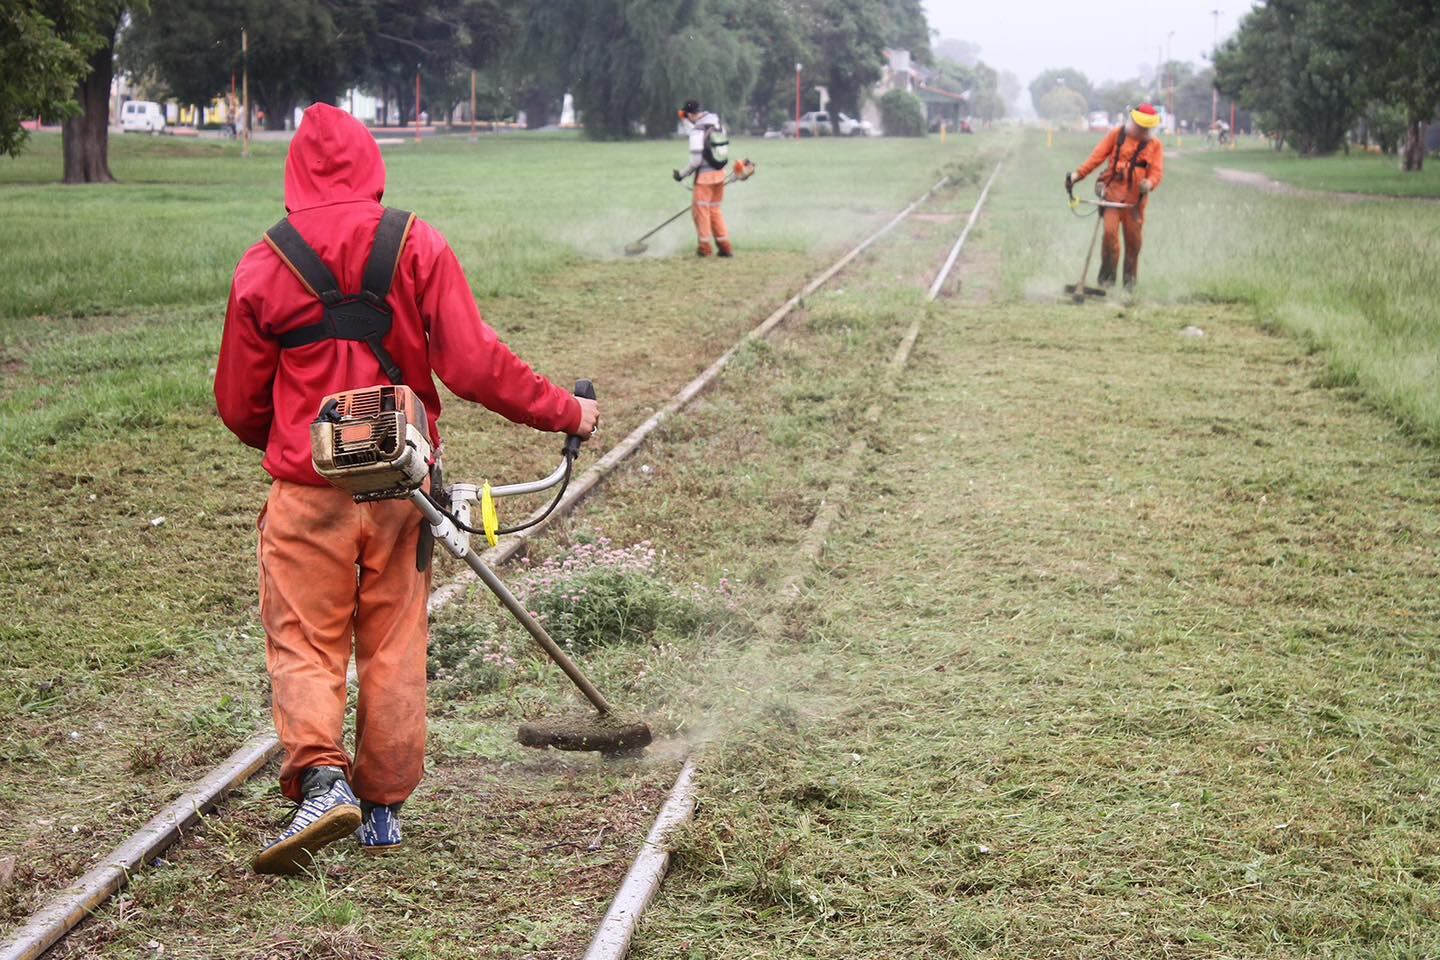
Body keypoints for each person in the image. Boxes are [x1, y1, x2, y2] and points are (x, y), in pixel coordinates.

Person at [215, 102, 599, 875]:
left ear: (293, 174)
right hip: (404, 486)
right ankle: (382, 809)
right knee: (393, 644)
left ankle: (323, 782)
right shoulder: (413, 243)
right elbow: (475, 363)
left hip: (307, 493)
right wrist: (569, 410)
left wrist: (297, 443)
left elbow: (239, 402)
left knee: (305, 640)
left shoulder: (263, 264)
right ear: (370, 164)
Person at [1066, 102, 1166, 289]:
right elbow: (1097, 157)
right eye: (1139, 126)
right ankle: (1106, 283)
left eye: (1147, 128)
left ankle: (1129, 287)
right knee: (1110, 237)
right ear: (1132, 121)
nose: (1142, 130)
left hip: (1134, 204)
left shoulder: (1155, 145)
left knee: (1133, 245)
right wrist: (1077, 175)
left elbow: (1157, 171)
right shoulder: (1117, 135)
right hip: (1111, 197)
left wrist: (1150, 183)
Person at [672, 99, 732, 257]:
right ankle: (725, 247)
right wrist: (684, 118)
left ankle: (705, 248)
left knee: (701, 212)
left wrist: (681, 174)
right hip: (719, 175)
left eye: (687, 115)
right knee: (715, 210)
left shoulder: (697, 131)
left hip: (704, 179)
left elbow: (696, 161)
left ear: (691, 114)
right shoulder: (717, 125)